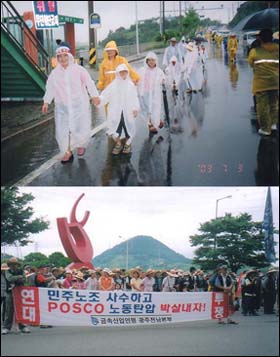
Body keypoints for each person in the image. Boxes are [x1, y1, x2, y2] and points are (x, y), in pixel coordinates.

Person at [42, 42, 100, 163]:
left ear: (69, 56)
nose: (63, 59)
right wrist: (46, 102)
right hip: (62, 107)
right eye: (60, 57)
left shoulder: (79, 70)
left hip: (79, 105)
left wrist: (94, 95)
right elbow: (50, 88)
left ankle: (80, 145)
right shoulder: (55, 73)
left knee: (79, 127)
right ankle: (67, 151)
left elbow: (89, 83)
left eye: (65, 56)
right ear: (57, 58)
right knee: (63, 130)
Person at [97, 64, 140, 155]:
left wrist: (135, 108)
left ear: (127, 73)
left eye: (125, 72)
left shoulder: (130, 85)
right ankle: (118, 143)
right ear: (117, 74)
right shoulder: (113, 86)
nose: (123, 74)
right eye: (120, 72)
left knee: (128, 127)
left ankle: (128, 144)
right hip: (115, 112)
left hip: (127, 112)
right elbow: (105, 95)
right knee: (115, 129)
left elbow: (135, 97)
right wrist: (99, 100)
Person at [248, 28, 279, 136]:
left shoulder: (255, 51)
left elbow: (251, 64)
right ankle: (273, 124)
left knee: (262, 107)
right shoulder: (278, 49)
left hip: (261, 84)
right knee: (274, 104)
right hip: (275, 82)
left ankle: (265, 129)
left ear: (260, 38)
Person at [138, 52, 165, 134]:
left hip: (154, 93)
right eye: (149, 60)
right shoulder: (142, 70)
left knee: (155, 107)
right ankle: (150, 124)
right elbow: (136, 78)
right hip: (144, 93)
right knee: (146, 109)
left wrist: (162, 81)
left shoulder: (159, 71)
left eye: (153, 60)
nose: (151, 62)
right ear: (146, 61)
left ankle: (156, 120)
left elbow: (163, 78)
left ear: (155, 61)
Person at [2, 258, 30, 335]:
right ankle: (6, 327)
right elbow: (9, 278)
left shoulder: (21, 271)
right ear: (10, 265)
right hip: (10, 293)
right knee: (9, 310)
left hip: (20, 292)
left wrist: (19, 278)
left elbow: (25, 280)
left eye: (15, 264)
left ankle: (23, 326)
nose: (14, 266)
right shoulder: (7, 271)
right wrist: (19, 277)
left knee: (20, 309)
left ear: (17, 265)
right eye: (12, 264)